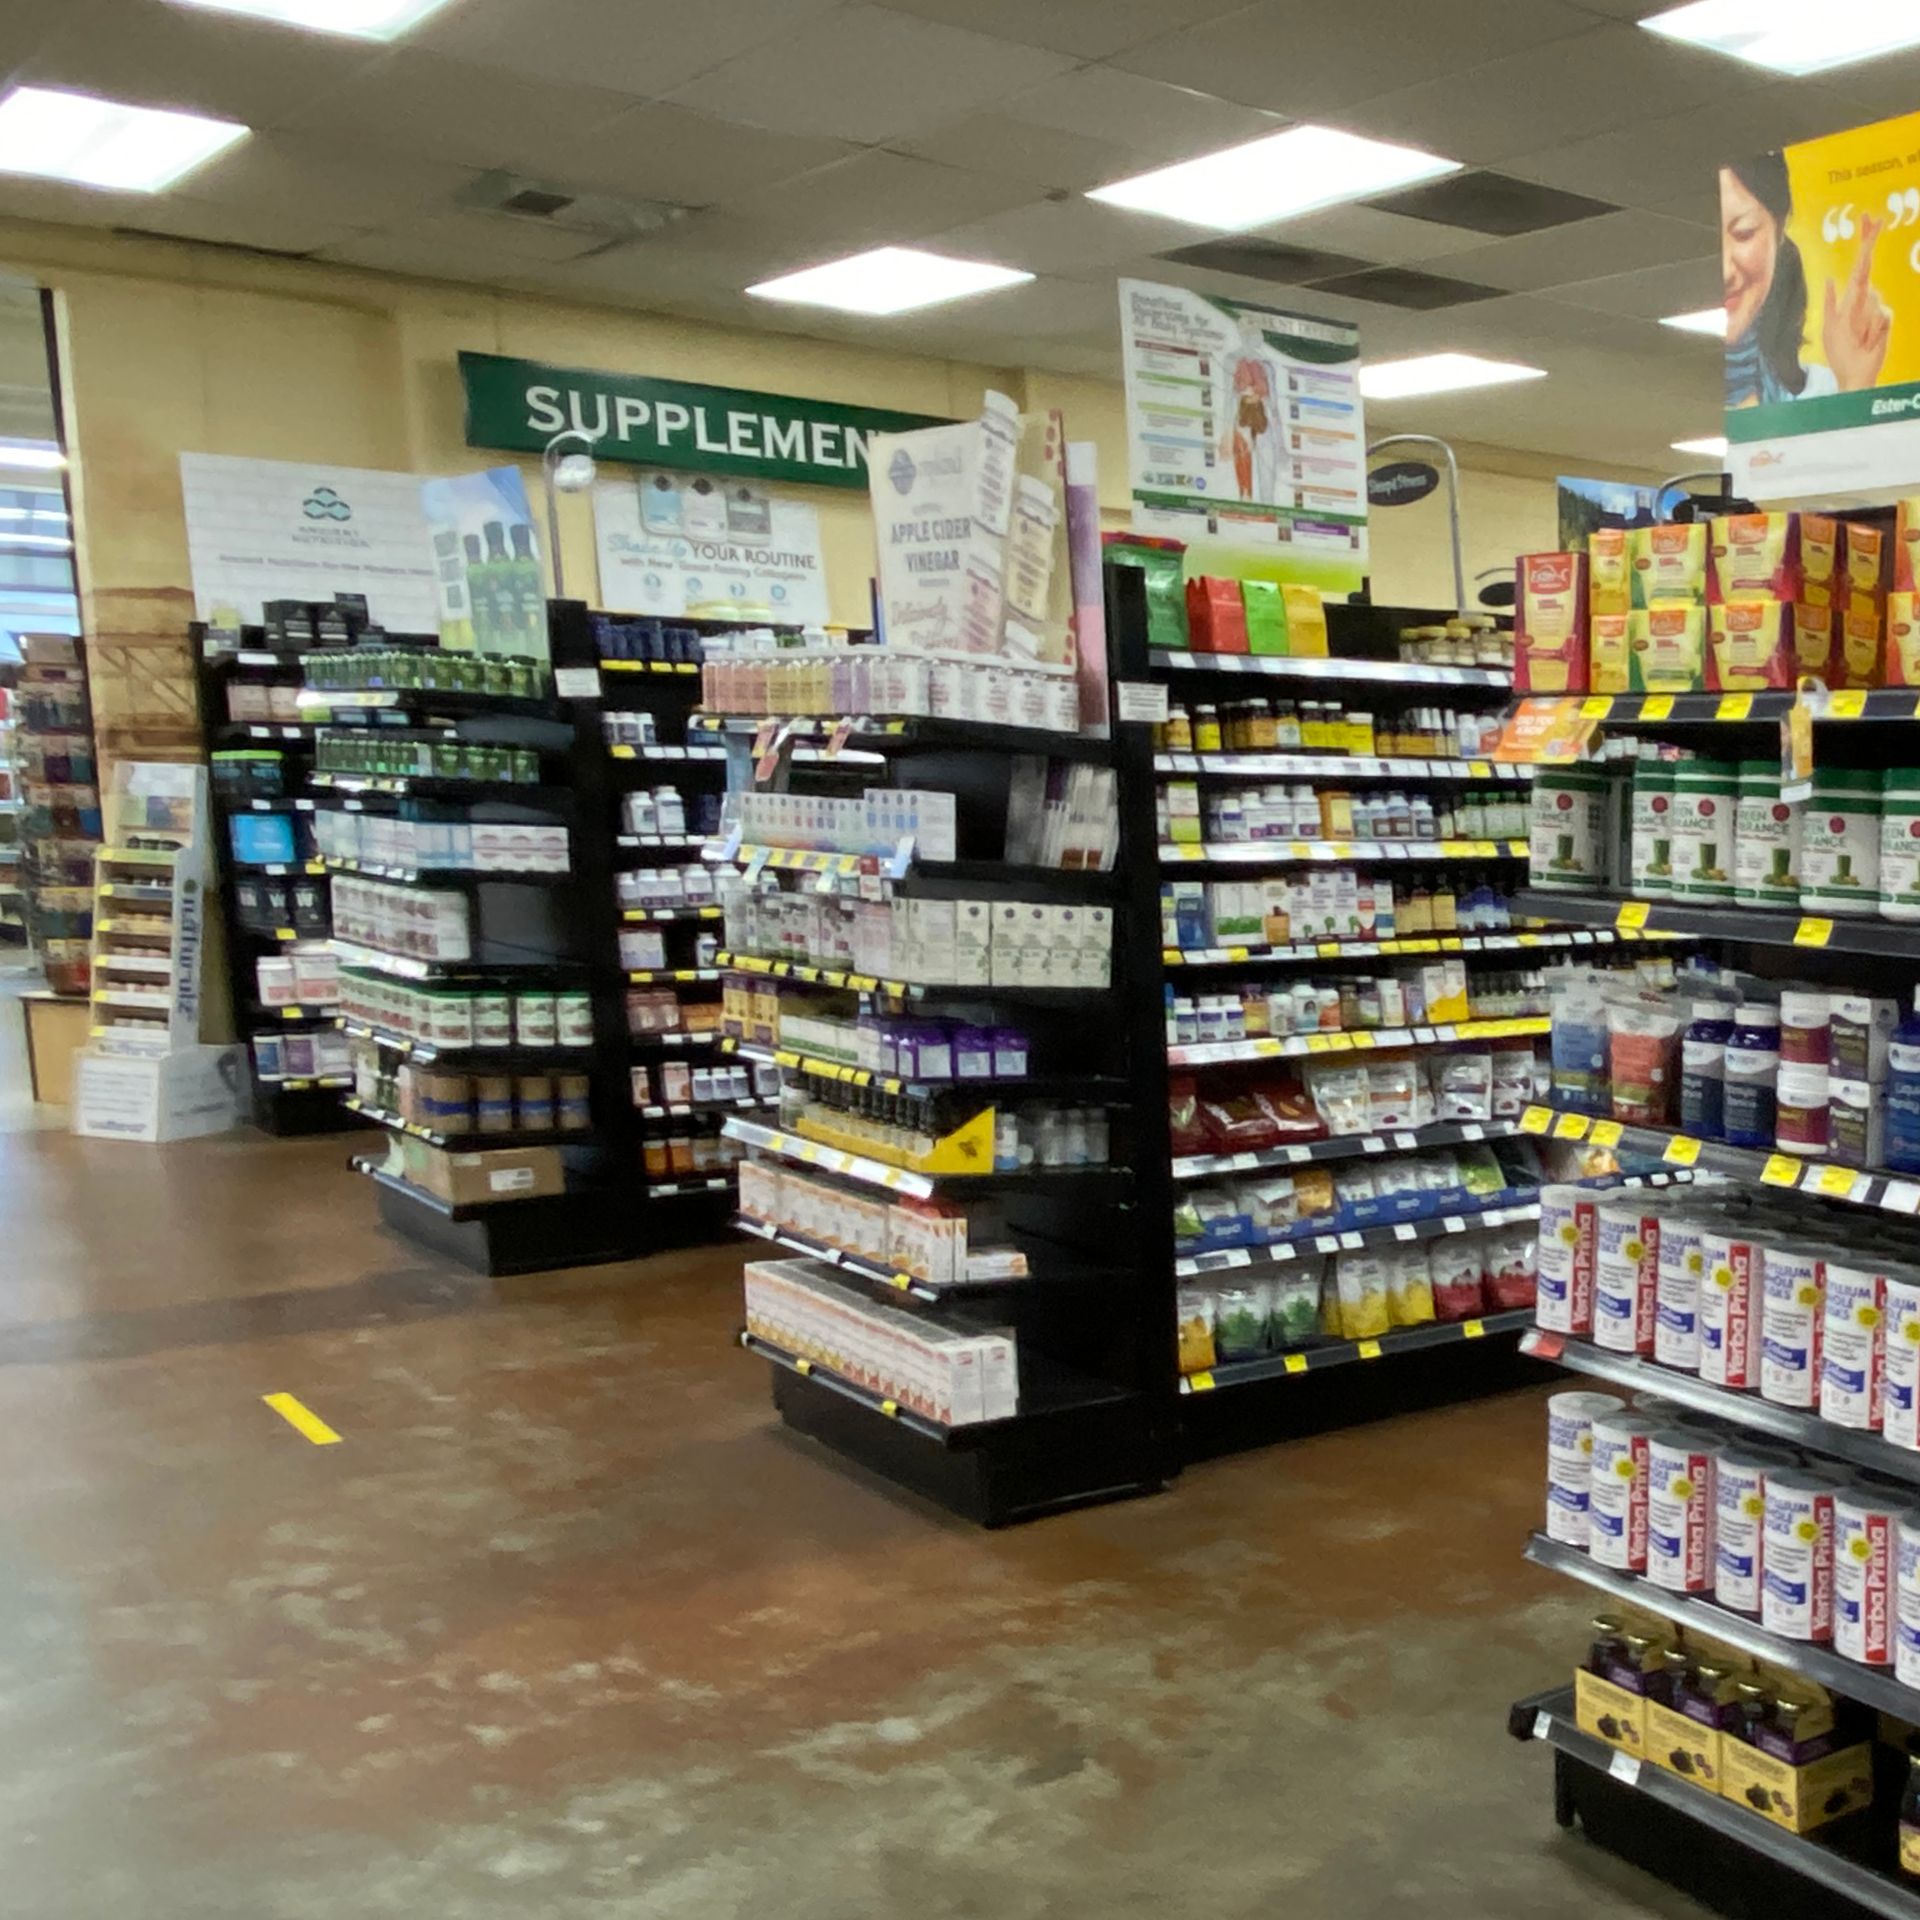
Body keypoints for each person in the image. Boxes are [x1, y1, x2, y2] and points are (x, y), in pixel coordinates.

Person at [1722, 153, 1890, 408]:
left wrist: (1855, 384)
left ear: (1780, 232)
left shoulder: (1818, 392)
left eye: (1743, 233)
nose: (1725, 271)